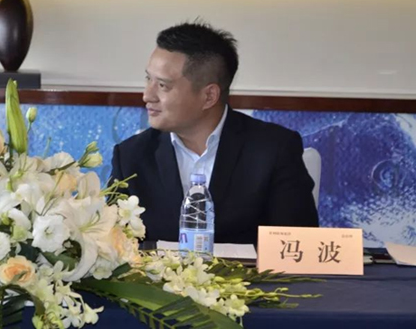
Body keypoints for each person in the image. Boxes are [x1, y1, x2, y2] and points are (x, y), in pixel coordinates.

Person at [110, 21, 318, 244]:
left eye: (163, 85)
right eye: (148, 79)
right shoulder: (131, 156)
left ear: (209, 96)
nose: (147, 95)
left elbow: (299, 246)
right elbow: (113, 246)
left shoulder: (273, 150)